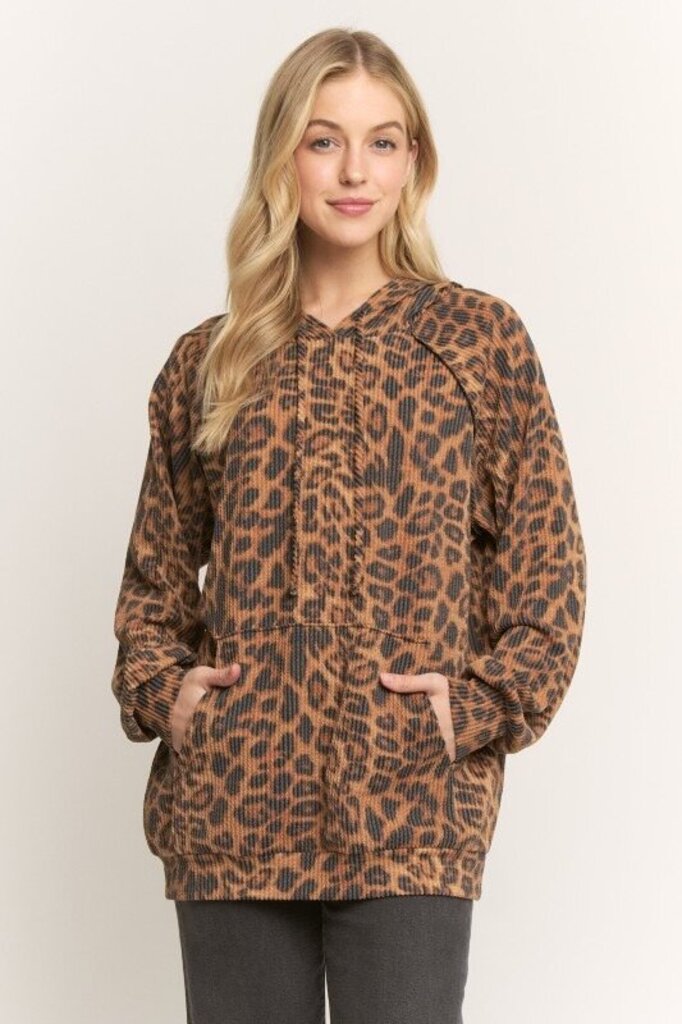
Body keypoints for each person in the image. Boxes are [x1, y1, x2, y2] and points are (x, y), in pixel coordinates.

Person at [111, 27, 587, 1024]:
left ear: (414, 161)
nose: (354, 171)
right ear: (283, 156)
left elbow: (546, 572)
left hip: (411, 811)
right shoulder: (212, 362)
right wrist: (173, 695)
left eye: (383, 141)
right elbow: (152, 586)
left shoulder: (475, 342)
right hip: (234, 815)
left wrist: (474, 709)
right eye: (324, 141)